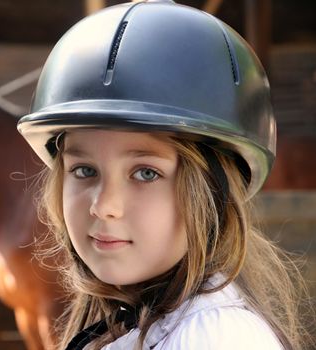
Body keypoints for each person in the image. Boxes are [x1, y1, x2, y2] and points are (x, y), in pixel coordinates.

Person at [17, 1, 313, 349]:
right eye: (84, 170)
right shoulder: (125, 325)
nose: (104, 206)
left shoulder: (213, 337)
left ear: (212, 192)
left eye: (145, 173)